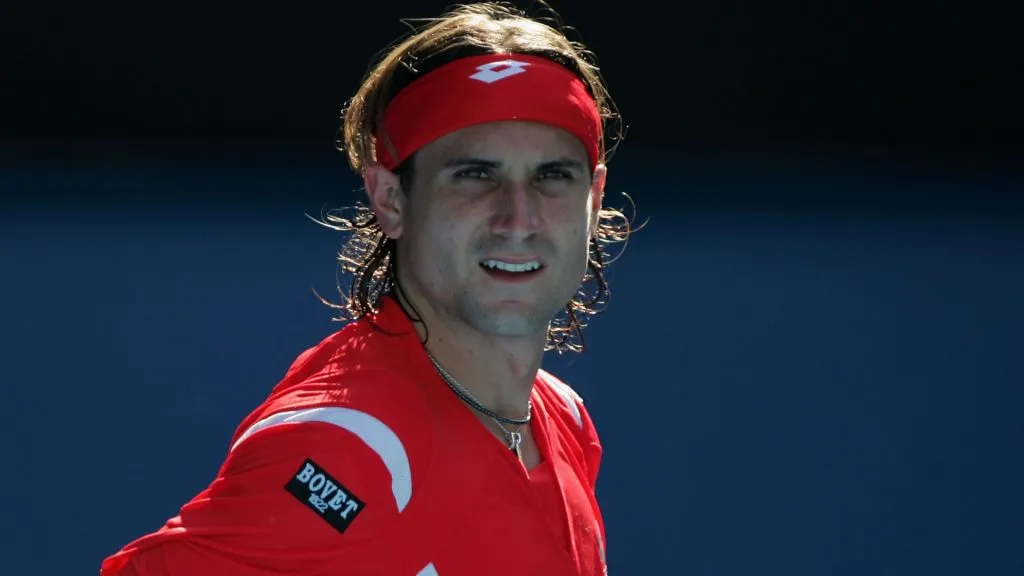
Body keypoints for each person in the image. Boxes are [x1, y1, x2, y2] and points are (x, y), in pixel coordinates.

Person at [100, 2, 634, 574]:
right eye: (475, 175)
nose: (517, 218)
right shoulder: (352, 445)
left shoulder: (561, 418)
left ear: (594, 199)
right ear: (391, 199)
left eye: (552, 176)